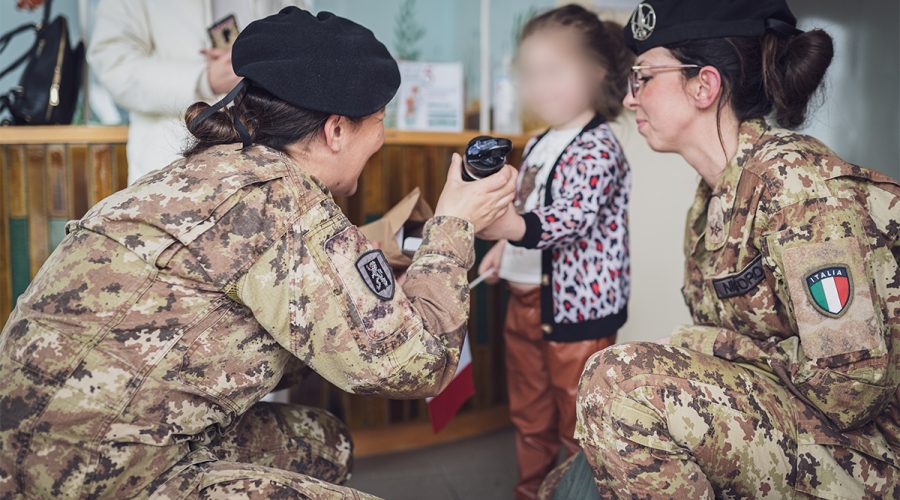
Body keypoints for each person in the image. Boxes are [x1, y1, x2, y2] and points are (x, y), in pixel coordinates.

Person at [0, 8, 518, 498]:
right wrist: (456, 224)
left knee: (321, 444)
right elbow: (418, 367)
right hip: (86, 477)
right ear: (336, 130)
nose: (384, 137)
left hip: (26, 447)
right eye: (379, 121)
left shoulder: (207, 171)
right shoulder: (279, 203)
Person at [571, 0, 899, 498]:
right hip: (798, 428)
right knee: (577, 472)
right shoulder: (714, 197)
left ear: (704, 85)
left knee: (620, 386)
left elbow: (851, 389)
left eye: (643, 76)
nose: (631, 98)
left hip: (868, 453)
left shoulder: (796, 184)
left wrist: (707, 346)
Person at [476, 5, 632, 498]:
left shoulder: (599, 146)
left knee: (578, 426)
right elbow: (528, 205)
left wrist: (509, 225)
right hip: (524, 305)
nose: (538, 86)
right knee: (529, 416)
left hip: (574, 318)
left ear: (597, 71)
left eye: (553, 71)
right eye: (529, 74)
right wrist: (503, 243)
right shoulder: (541, 140)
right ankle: (532, 492)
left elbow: (570, 217)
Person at [88, 0, 308, 184]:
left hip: (269, 158)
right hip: (171, 163)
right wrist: (203, 78)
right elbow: (112, 64)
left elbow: (301, 41)